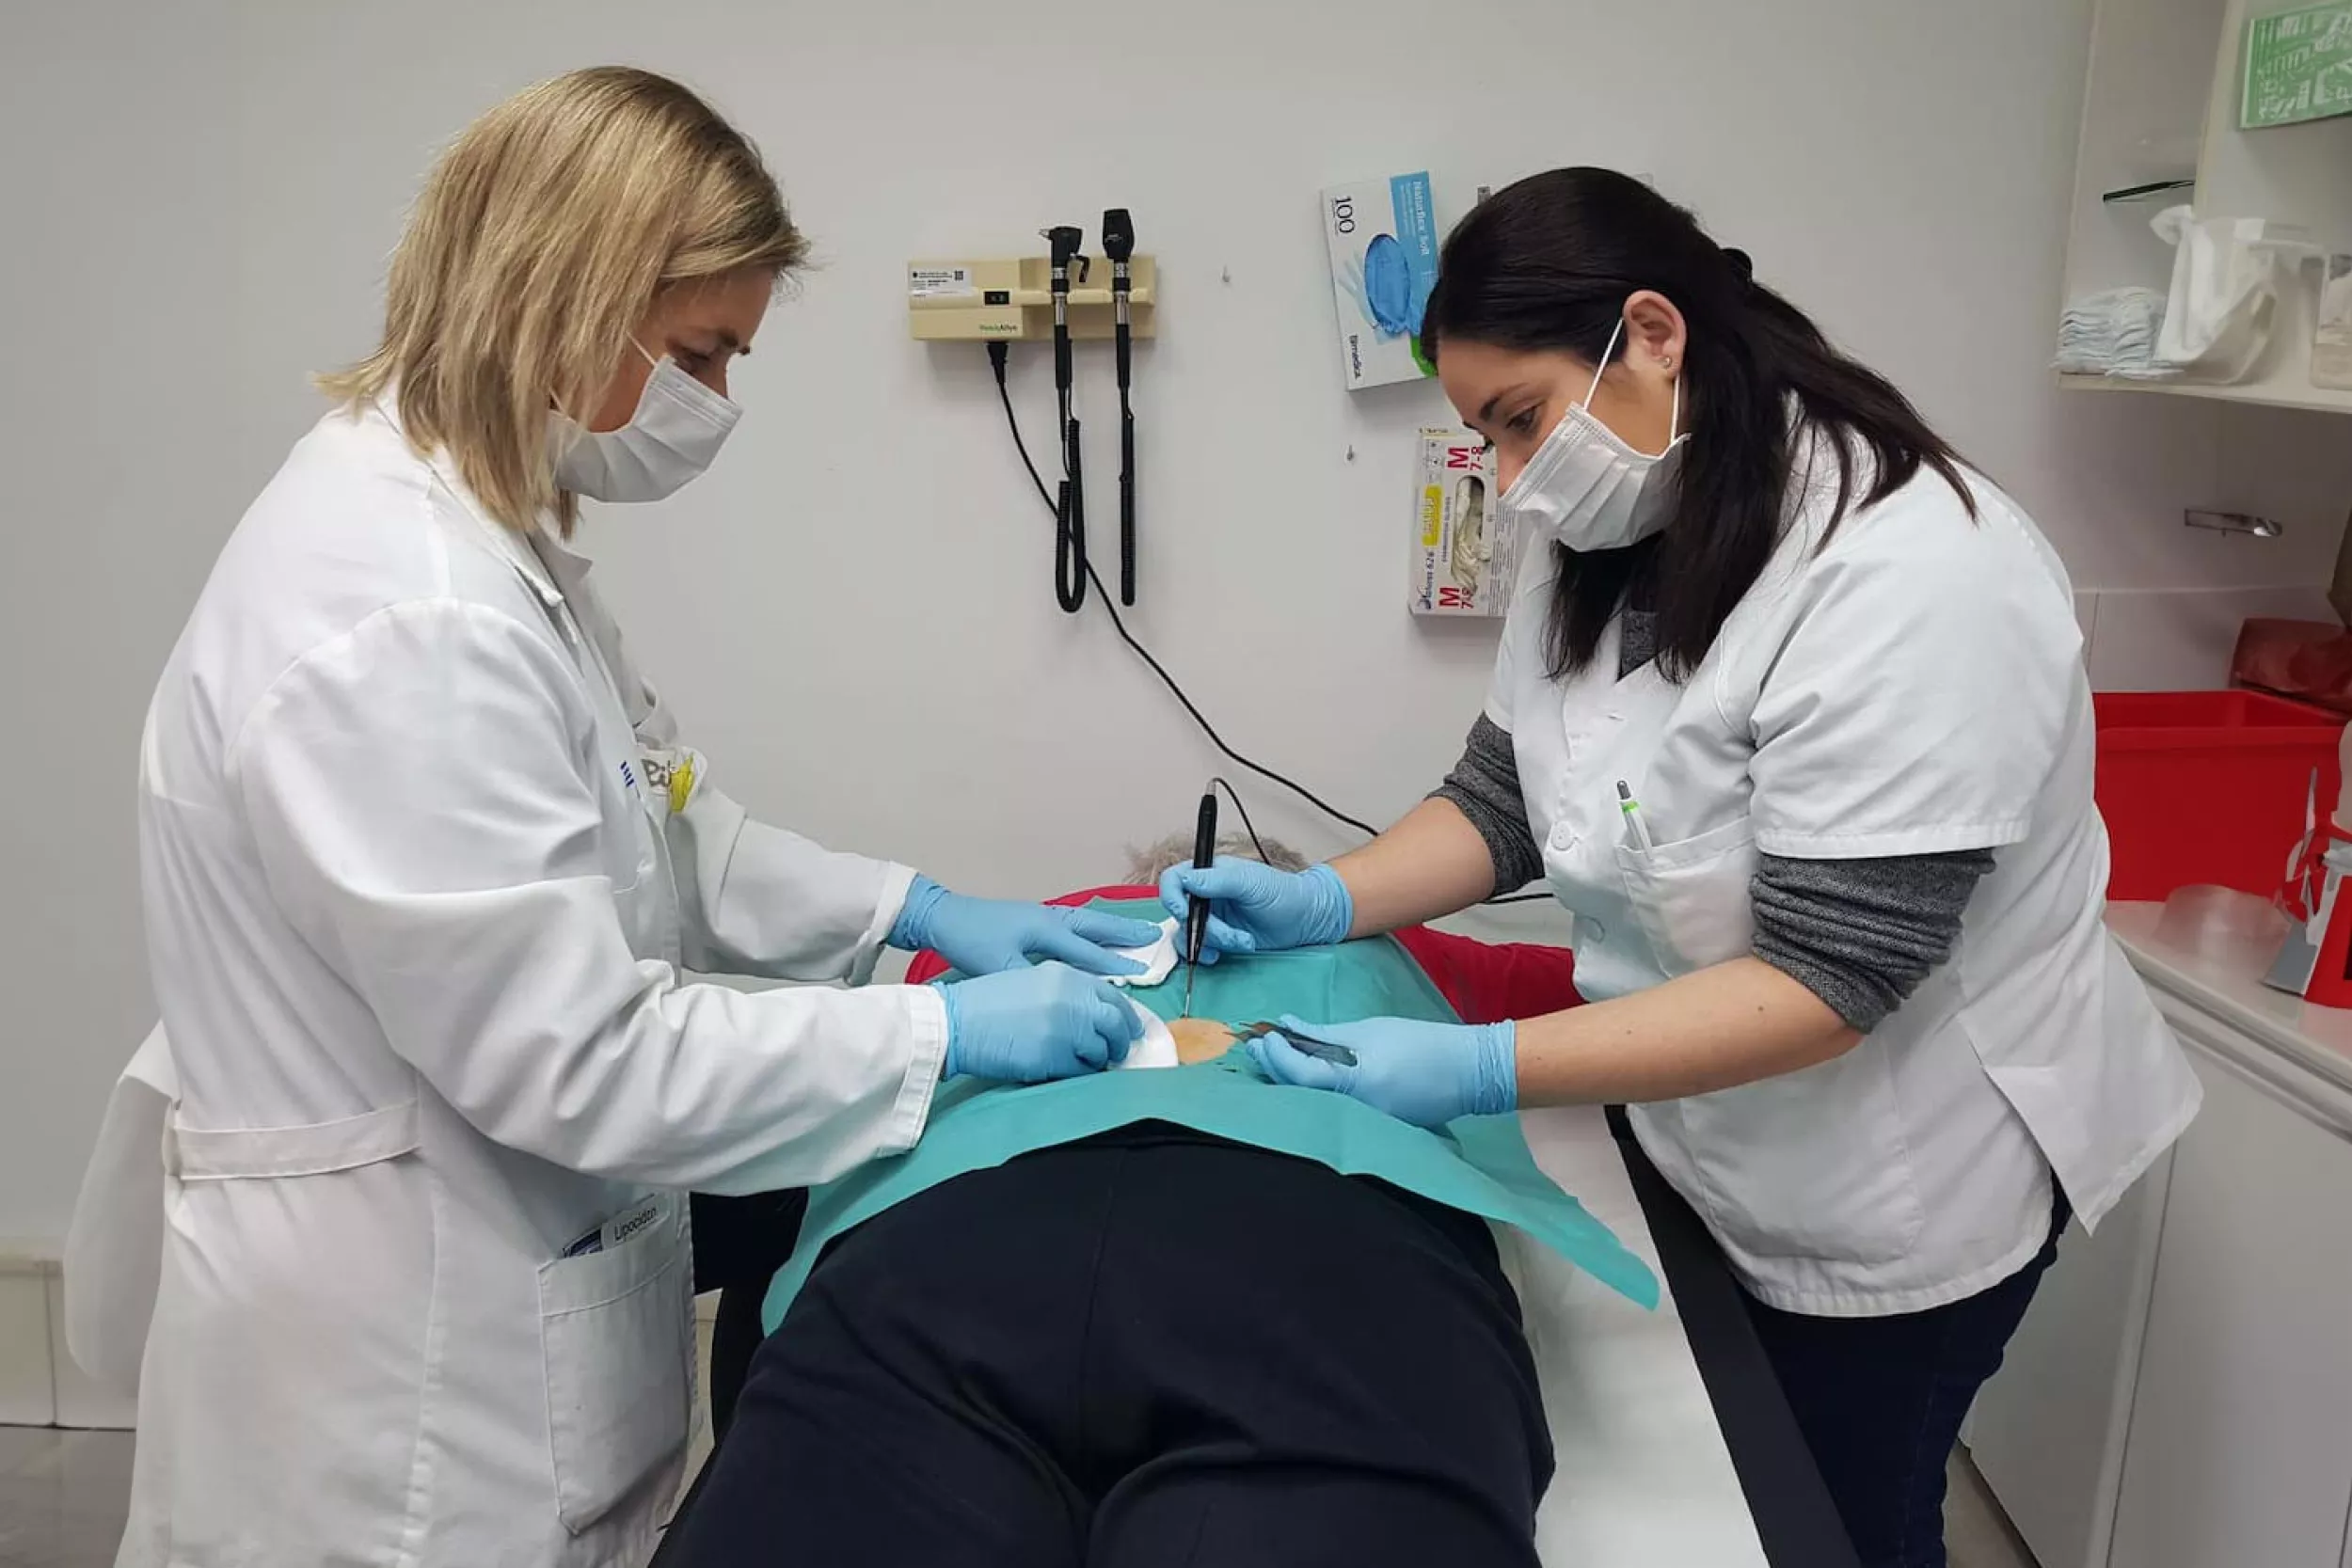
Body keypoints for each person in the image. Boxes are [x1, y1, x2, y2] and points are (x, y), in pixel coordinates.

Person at [114, 67, 1157, 1568]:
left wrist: (913, 911)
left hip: (496, 1290)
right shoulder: (402, 614)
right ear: (568, 291)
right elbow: (584, 1055)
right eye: (699, 352)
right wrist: (942, 1035)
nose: (714, 405)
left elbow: (673, 822)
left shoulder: (495, 550)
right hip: (398, 1410)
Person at [1162, 168, 2202, 1568]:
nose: (1515, 474)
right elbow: (1507, 792)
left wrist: (1478, 1063)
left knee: (1843, 1515)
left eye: (1520, 419)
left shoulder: (1912, 572)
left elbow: (1835, 975)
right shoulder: (1599, 530)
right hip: (1707, 1126)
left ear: (1653, 332)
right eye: (1487, 438)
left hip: (1898, 1170)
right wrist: (1333, 894)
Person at [657, 870, 1616, 1568]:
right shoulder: (1399, 945)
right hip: (1328, 1259)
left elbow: (871, 1053)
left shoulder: (1000, 941)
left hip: (943, 1250)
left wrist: (933, 922)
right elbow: (1611, 988)